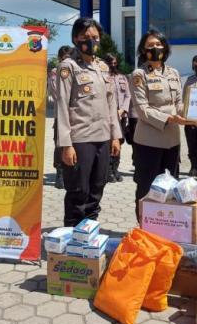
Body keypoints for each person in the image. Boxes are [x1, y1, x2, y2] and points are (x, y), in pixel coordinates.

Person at [56, 18, 122, 227]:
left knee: (97, 188)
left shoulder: (102, 67)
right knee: (78, 191)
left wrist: (115, 136)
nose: (90, 41)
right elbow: (62, 106)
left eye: (94, 37)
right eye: (85, 37)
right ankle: (72, 238)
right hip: (80, 139)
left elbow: (111, 104)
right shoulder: (69, 66)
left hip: (103, 138)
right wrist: (66, 145)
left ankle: (90, 232)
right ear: (76, 38)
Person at [129, 29, 189, 220]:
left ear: (165, 47)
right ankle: (145, 226)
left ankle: (165, 225)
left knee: (170, 186)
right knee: (147, 187)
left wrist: (192, 113)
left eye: (158, 44)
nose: (155, 48)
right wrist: (170, 118)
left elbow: (178, 103)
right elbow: (142, 109)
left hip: (172, 140)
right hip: (148, 141)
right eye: (150, 46)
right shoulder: (139, 75)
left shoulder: (174, 73)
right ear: (143, 50)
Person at [49, 45, 74, 189]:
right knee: (60, 145)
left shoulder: (76, 70)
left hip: (76, 116)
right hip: (61, 115)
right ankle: (59, 173)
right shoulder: (55, 72)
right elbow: (58, 93)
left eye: (70, 57)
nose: (67, 61)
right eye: (64, 58)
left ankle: (70, 172)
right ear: (59, 58)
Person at [104, 53, 131, 182]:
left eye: (115, 63)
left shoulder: (122, 77)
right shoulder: (103, 77)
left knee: (119, 142)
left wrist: (123, 110)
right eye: (111, 63)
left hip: (121, 116)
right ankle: (108, 171)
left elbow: (128, 95)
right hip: (108, 117)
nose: (113, 66)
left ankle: (115, 168)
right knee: (109, 143)